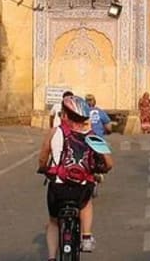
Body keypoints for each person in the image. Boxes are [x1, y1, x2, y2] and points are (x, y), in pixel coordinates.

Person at [38, 95, 113, 260]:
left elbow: (43, 158)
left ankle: (51, 257)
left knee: (53, 221)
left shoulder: (54, 132)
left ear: (64, 115)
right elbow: (108, 162)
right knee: (86, 203)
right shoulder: (92, 135)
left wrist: (44, 168)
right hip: (81, 188)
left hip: (58, 188)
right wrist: (101, 169)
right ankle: (86, 237)